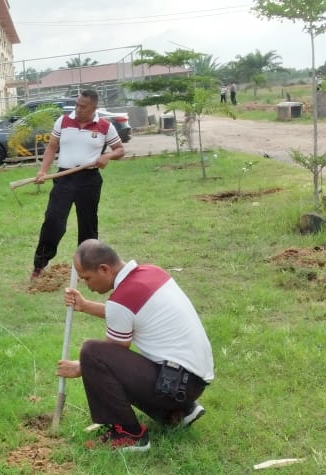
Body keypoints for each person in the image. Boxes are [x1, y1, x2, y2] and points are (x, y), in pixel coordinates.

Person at [57, 239, 215, 452]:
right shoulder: (152, 272)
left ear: (104, 269)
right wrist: (85, 306)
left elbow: (111, 354)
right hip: (192, 380)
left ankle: (129, 434)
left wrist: (80, 367)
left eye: (87, 278)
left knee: (92, 353)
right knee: (100, 356)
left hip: (177, 385)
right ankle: (180, 412)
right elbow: (130, 313)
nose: (88, 285)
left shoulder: (121, 301)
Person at [29, 89, 125, 280]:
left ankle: (88, 269)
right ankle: (40, 265)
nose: (78, 109)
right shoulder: (63, 121)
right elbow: (52, 147)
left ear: (94, 108)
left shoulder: (105, 126)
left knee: (88, 225)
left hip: (89, 180)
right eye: (77, 104)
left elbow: (120, 150)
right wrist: (43, 171)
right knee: (53, 221)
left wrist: (107, 156)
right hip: (64, 178)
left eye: (83, 106)